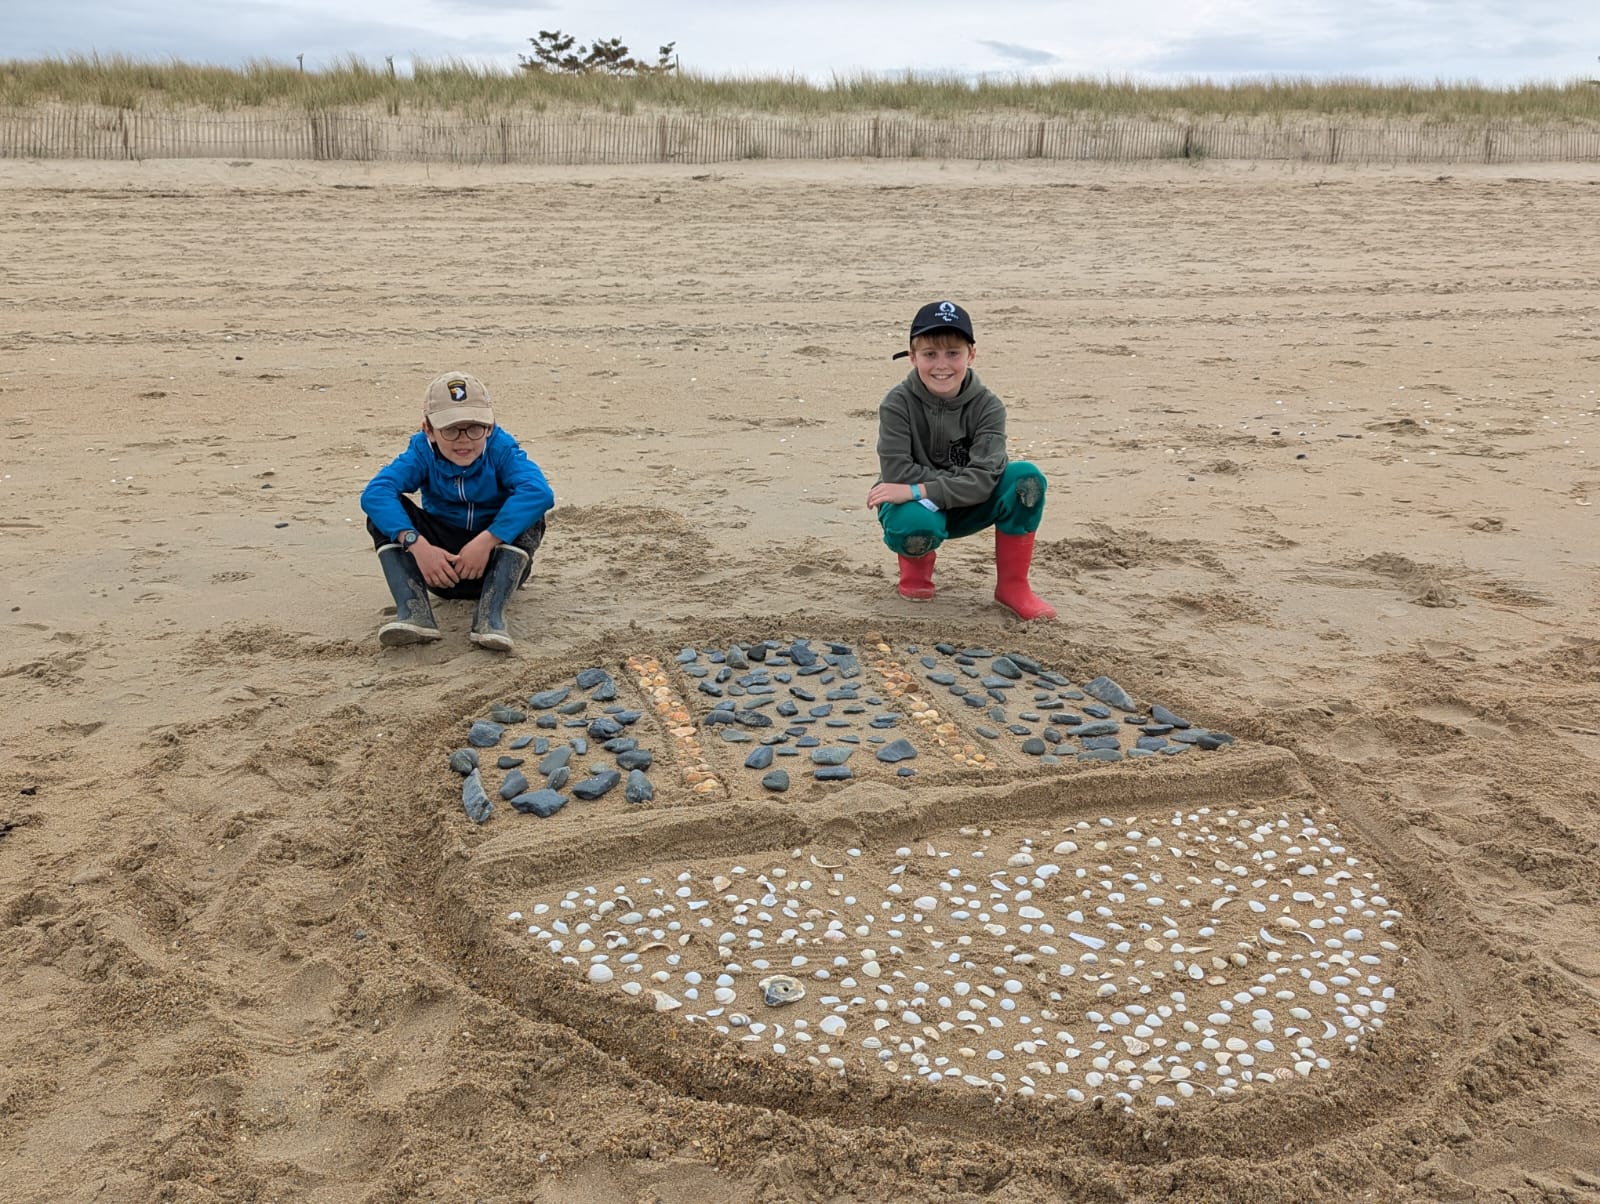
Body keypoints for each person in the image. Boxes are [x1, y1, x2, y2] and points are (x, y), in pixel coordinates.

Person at [866, 300, 1056, 621]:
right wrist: (935, 488)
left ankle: (1013, 587)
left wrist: (919, 488)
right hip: (914, 507)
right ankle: (915, 572)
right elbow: (897, 473)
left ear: (971, 354)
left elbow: (983, 480)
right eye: (930, 354)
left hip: (959, 501)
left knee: (1026, 479)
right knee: (914, 525)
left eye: (953, 353)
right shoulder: (896, 403)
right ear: (912, 357)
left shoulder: (989, 407)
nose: (942, 365)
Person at [360, 372, 553, 651]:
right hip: (439, 568)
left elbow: (539, 492)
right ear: (428, 430)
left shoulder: (501, 449)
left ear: (490, 426)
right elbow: (376, 493)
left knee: (530, 512)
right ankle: (414, 612)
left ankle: (490, 618)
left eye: (474, 428)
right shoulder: (421, 452)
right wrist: (418, 546)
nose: (464, 440)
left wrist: (487, 541)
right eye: (450, 429)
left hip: (496, 564)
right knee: (384, 513)